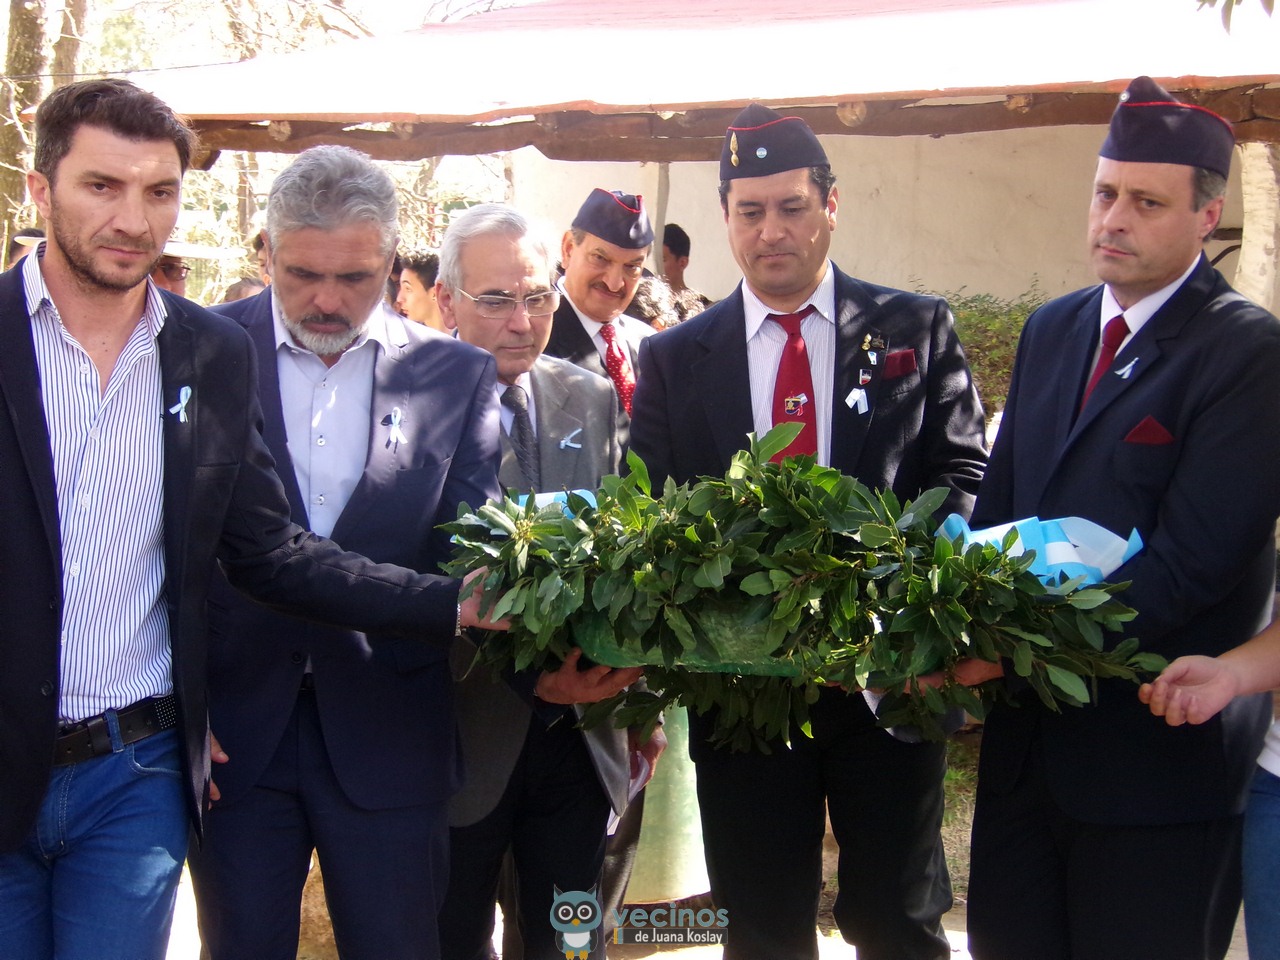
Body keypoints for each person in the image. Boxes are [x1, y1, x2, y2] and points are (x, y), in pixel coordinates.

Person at [0, 77, 503, 960]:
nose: (131, 218)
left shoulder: (201, 353)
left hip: (170, 766)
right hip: (159, 745)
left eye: (158, 192)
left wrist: (456, 602)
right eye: (101, 187)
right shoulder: (216, 345)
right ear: (41, 190)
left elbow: (271, 549)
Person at [628, 103, 988, 960]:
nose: (771, 231)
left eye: (792, 206)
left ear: (832, 204)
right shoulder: (675, 360)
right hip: (743, 699)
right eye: (749, 211)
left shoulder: (914, 328)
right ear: (725, 218)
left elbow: (965, 474)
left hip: (890, 685)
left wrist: (912, 596)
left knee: (897, 921)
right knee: (760, 928)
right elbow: (649, 511)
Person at [963, 76, 1280, 960]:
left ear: (1207, 216)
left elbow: (1192, 566)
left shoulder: (1245, 353)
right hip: (1029, 753)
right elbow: (998, 514)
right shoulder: (1053, 330)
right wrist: (943, 622)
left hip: (1155, 763)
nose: (1114, 218)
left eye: (1147, 201)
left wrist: (1010, 644)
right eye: (1105, 193)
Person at [183, 146, 503, 960]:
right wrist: (181, 707)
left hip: (391, 729)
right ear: (265, 252)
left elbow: (471, 551)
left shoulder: (457, 374)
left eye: (354, 278)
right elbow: (163, 548)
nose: (326, 301)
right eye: (301, 274)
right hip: (236, 736)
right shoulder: (196, 351)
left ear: (393, 262)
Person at [435, 202, 665, 960]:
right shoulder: (406, 407)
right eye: (495, 299)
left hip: (581, 739)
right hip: (460, 741)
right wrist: (529, 676)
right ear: (446, 301)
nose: (522, 320)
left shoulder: (589, 397)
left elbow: (622, 556)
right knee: (453, 937)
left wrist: (637, 702)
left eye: (536, 298)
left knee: (570, 940)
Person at [544, 188, 655, 425]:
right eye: (600, 258)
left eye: (632, 267)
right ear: (568, 249)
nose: (614, 283)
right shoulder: (536, 337)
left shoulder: (648, 343)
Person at [661, 222, 713, 320]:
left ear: (682, 263)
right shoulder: (644, 303)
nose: (655, 265)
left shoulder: (703, 309)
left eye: (662, 259)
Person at [397, 249, 445, 331]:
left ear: (435, 293)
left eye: (408, 289)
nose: (399, 299)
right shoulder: (406, 339)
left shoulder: (465, 337)